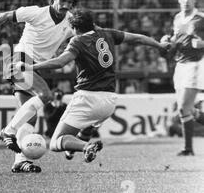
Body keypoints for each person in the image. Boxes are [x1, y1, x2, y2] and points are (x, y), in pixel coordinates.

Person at [10, 9, 170, 162]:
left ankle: (86, 146)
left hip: (87, 98)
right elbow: (138, 38)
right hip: (110, 101)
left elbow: (60, 62)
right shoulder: (108, 34)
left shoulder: (78, 41)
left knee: (55, 142)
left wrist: (31, 67)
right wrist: (159, 45)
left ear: (74, 28)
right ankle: (81, 139)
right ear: (92, 24)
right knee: (85, 126)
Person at [0, 0, 83, 173]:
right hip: (20, 60)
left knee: (29, 117)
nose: (65, 5)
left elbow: (88, 34)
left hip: (37, 68)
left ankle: (20, 161)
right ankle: (8, 131)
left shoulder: (70, 21)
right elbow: (4, 16)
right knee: (46, 96)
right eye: (62, 0)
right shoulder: (36, 12)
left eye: (69, 2)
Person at [160, 0, 204, 156]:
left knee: (182, 108)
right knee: (188, 109)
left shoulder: (201, 18)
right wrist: (168, 40)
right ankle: (188, 148)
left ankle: (188, 149)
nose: (186, 1)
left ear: (195, 0)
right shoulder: (177, 18)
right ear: (178, 0)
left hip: (196, 64)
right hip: (180, 65)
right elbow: (176, 40)